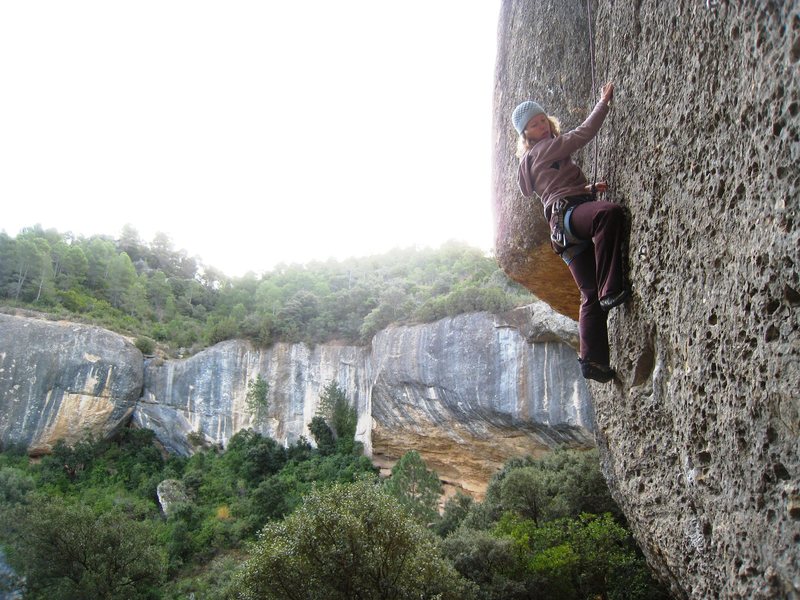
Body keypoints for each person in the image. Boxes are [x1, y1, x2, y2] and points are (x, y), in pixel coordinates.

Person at [512, 82, 629, 383]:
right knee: (608, 214)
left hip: (562, 231)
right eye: (535, 126)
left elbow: (554, 188)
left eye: (542, 120)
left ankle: (593, 362)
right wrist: (603, 102)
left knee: (588, 294)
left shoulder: (535, 159)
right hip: (569, 216)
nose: (542, 127)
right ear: (527, 136)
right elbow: (583, 134)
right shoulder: (546, 148)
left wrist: (588, 189)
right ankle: (612, 288)